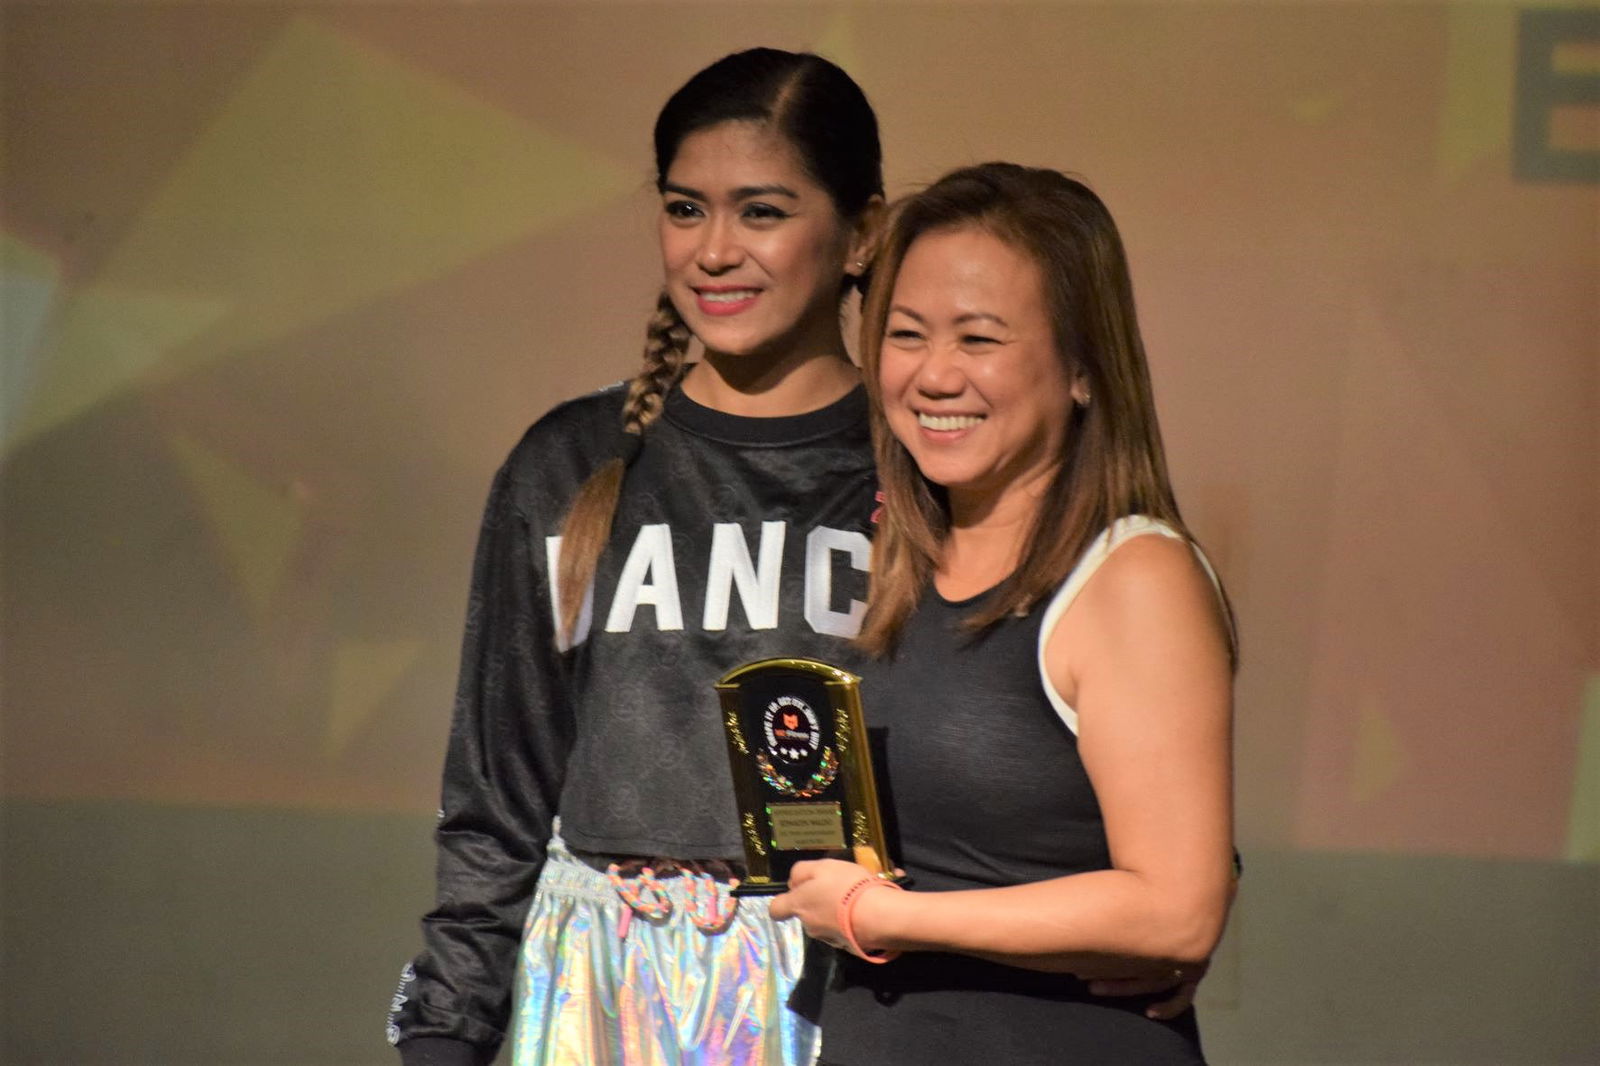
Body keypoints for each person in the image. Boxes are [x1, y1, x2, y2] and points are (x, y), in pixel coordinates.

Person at [387, 48, 884, 1066]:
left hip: (835, 991)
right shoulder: (569, 464)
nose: (713, 251)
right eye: (684, 208)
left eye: (762, 211)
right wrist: (447, 1027)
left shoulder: (913, 471)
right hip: (589, 996)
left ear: (861, 231)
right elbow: (497, 789)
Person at [769, 163, 1238, 1065]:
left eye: (979, 339)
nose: (935, 375)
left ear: (1082, 368)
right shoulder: (901, 562)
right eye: (905, 335)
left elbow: (1176, 906)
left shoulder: (1132, 575)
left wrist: (882, 916)